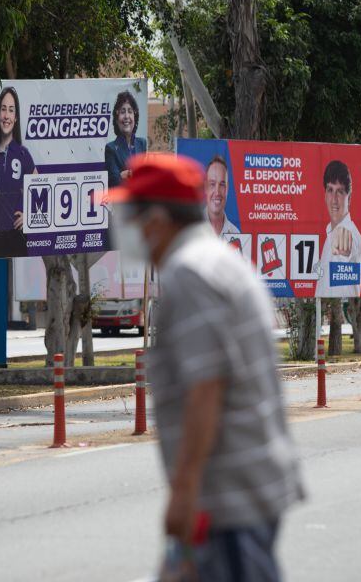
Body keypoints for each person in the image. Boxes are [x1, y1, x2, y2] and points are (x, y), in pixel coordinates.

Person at [108, 152, 303, 580]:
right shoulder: (216, 260)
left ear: (157, 220)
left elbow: (206, 389)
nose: (128, 230)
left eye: (132, 217)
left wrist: (184, 492)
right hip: (239, 489)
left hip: (226, 499)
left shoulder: (190, 275)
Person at [0, 87, 36, 256]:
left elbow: (40, 187)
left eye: (11, 110)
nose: (6, 115)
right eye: (3, 109)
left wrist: (28, 215)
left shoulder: (23, 153)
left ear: (16, 118)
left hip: (17, 237)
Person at [315, 160, 361, 297]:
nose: (334, 200)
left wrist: (345, 250)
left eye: (340, 192)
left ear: (349, 197)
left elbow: (347, 247)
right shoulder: (330, 233)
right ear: (325, 195)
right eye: (330, 190)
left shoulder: (348, 233)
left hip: (339, 310)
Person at [104, 90, 147, 187]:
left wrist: (125, 174)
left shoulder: (142, 144)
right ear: (117, 119)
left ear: (135, 117)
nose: (127, 116)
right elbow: (115, 183)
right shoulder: (110, 149)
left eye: (130, 111)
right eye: (122, 112)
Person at [204, 155, 239, 236]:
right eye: (212, 184)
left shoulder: (236, 234)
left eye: (222, 184)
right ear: (205, 187)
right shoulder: (192, 231)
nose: (217, 192)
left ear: (227, 188)